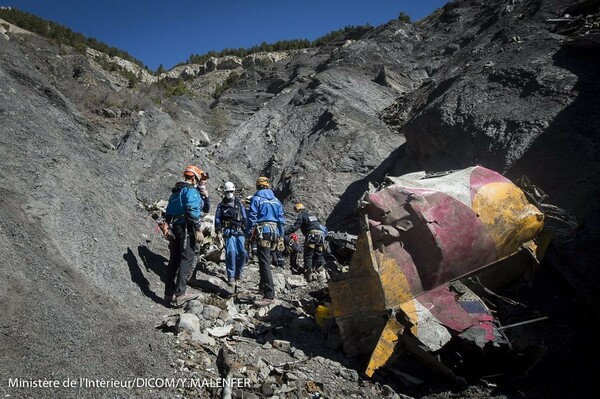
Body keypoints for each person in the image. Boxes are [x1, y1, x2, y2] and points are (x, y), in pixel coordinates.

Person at [164, 165, 207, 307]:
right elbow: (191, 209)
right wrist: (197, 229)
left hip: (175, 227)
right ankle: (180, 294)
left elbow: (168, 211)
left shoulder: (176, 191)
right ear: (194, 178)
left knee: (174, 260)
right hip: (187, 228)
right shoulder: (190, 190)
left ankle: (168, 294)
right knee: (186, 259)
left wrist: (166, 225)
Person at [245, 176, 285, 306]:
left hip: (263, 231)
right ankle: (263, 288)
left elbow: (252, 217)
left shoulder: (256, 199)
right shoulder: (276, 201)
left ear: (258, 186)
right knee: (265, 260)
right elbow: (281, 220)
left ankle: (269, 295)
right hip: (274, 232)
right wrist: (281, 236)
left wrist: (248, 233)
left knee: (264, 262)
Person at [215, 182, 247, 287]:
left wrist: (246, 227)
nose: (229, 194)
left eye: (231, 192)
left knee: (242, 253)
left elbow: (244, 216)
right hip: (228, 231)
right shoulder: (221, 206)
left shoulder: (239, 204)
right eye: (227, 192)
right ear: (224, 192)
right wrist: (218, 231)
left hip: (239, 231)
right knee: (231, 253)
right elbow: (218, 219)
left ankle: (239, 273)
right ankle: (231, 276)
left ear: (234, 192)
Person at [285, 203, 325, 281]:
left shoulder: (302, 215)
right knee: (319, 254)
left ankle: (308, 274)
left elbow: (296, 226)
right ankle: (322, 275)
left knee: (308, 255)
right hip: (320, 236)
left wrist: (285, 233)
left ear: (299, 210)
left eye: (296, 211)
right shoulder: (312, 215)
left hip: (312, 236)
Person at [243, 195, 258, 262]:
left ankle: (246, 258)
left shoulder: (243, 209)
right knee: (253, 242)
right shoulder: (254, 209)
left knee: (246, 243)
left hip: (245, 227)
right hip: (254, 227)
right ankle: (254, 256)